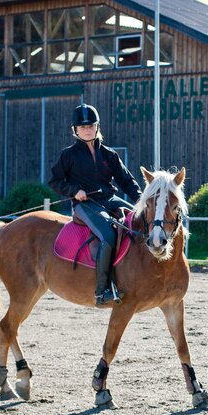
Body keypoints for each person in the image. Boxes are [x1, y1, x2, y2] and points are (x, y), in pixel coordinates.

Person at [48, 104, 142, 306]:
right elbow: (55, 182)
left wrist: (141, 200)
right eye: (82, 127)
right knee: (108, 236)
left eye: (90, 125)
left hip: (110, 200)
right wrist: (74, 191)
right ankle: (102, 290)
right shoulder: (68, 155)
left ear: (97, 127)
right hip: (86, 204)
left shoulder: (109, 154)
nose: (87, 129)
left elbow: (126, 180)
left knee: (138, 222)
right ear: (75, 130)